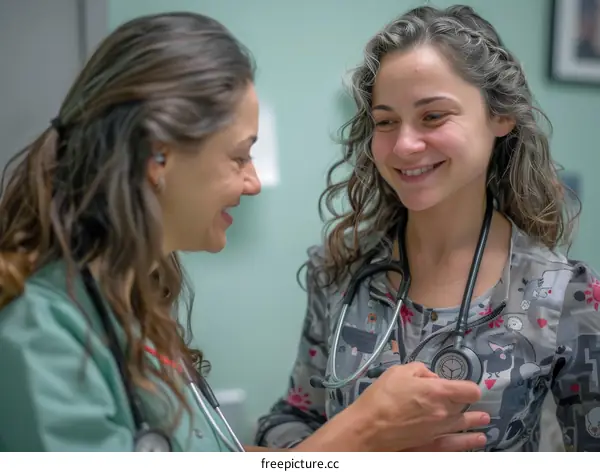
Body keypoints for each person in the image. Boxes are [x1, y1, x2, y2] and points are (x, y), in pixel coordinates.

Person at [0, 11, 491, 452]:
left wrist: (367, 451)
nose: (253, 182)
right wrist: (362, 428)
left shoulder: (132, 307)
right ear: (156, 157)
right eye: (238, 155)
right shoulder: (40, 336)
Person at [255, 4, 600, 452]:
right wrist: (359, 448)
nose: (404, 144)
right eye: (385, 122)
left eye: (433, 116)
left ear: (501, 116)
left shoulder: (564, 295)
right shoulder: (340, 270)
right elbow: (294, 416)